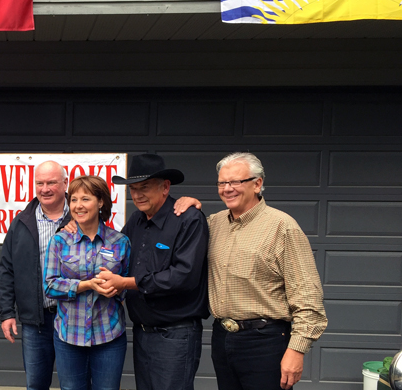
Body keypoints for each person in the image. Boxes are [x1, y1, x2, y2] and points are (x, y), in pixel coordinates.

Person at [174, 152, 327, 390]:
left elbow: (308, 297)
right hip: (222, 338)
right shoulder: (213, 224)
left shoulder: (282, 227)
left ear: (257, 184)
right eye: (222, 183)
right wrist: (189, 204)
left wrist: (297, 350)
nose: (227, 189)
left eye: (236, 182)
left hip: (265, 342)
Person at [91, 153, 209, 390]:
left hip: (175, 335)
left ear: (165, 187)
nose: (137, 195)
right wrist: (76, 222)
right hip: (143, 333)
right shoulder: (136, 220)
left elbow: (183, 277)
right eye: (132, 189)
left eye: (144, 187)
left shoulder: (189, 219)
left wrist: (126, 283)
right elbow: (112, 249)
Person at [43, 175, 130, 390]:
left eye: (85, 199)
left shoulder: (120, 242)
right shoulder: (60, 241)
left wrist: (116, 288)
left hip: (109, 335)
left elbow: (127, 285)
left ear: (100, 202)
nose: (78, 205)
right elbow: (50, 285)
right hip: (69, 336)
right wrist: (87, 285)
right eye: (73, 199)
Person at [0, 160, 71, 390]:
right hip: (35, 322)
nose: (45, 188)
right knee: (36, 386)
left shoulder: (82, 218)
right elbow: (7, 269)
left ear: (65, 183)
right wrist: (7, 313)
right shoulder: (21, 222)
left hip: (73, 318)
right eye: (40, 183)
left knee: (74, 386)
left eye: (51, 182)